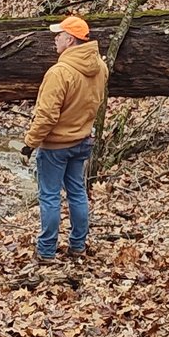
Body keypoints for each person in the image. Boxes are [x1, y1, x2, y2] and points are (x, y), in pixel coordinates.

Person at [22, 14, 108, 262]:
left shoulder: (59, 72)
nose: (55, 40)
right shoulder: (100, 67)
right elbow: (96, 102)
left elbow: (46, 116)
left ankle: (46, 251)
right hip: (83, 141)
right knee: (77, 192)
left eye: (58, 36)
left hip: (56, 146)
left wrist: (30, 143)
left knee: (49, 196)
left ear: (70, 40)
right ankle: (78, 245)